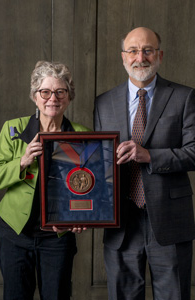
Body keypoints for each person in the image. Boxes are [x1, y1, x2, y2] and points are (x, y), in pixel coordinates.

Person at [94, 27, 195, 300]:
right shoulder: (103, 103)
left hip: (169, 219)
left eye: (148, 50)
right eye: (134, 50)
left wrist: (149, 155)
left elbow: (194, 152)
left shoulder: (185, 97)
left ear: (159, 55)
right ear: (123, 57)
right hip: (120, 222)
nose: (141, 57)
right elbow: (98, 163)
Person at [0, 61, 89, 300]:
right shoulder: (12, 129)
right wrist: (22, 161)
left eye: (60, 92)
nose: (52, 98)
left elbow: (92, 188)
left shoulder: (83, 136)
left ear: (69, 97)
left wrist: (81, 217)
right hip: (15, 234)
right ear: (35, 96)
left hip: (57, 237)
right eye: (45, 92)